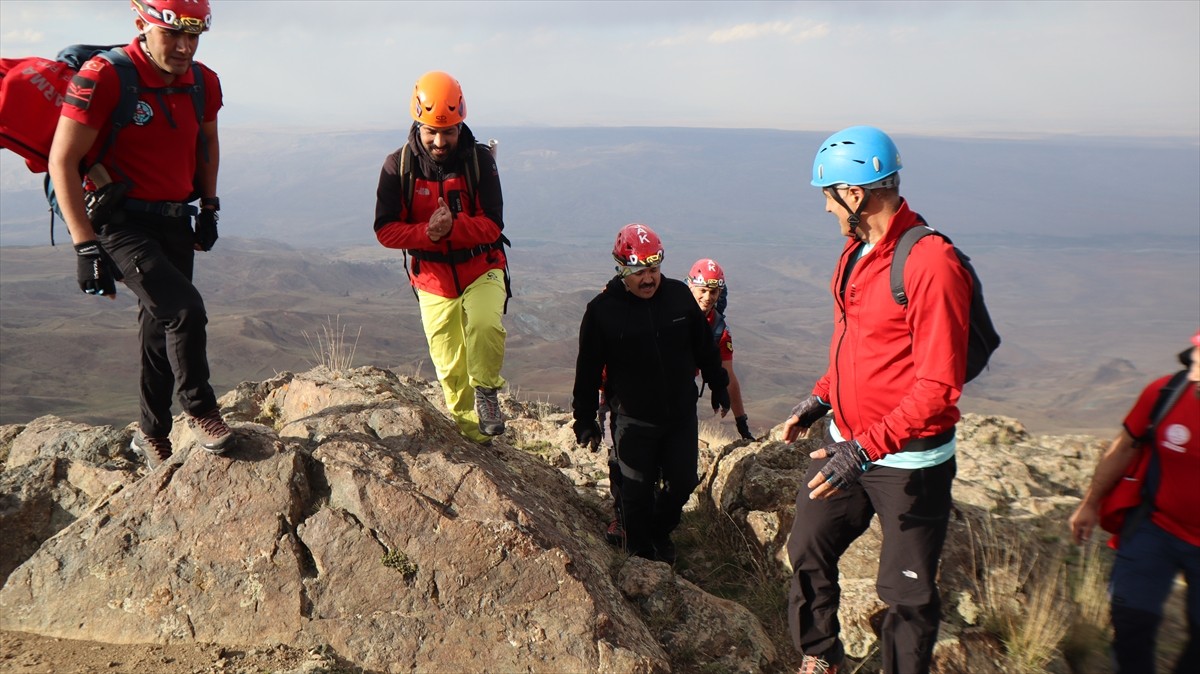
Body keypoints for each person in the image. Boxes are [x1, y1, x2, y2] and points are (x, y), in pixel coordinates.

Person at [780, 126, 972, 674]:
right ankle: (821, 656)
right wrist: (818, 400)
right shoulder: (856, 254)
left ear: (855, 194)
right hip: (849, 446)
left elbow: (938, 390)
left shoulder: (931, 263)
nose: (825, 208)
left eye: (827, 195)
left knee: (906, 596)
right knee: (808, 546)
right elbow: (858, 349)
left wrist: (864, 450)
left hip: (909, 461)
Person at [47, 0, 230, 468]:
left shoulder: (202, 82)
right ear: (141, 27)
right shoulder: (105, 77)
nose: (185, 47)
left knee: (158, 326)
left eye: (194, 36)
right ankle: (201, 409)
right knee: (185, 310)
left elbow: (205, 141)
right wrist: (84, 245)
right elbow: (62, 161)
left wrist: (208, 207)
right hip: (119, 221)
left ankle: (151, 434)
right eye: (173, 35)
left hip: (173, 217)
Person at [573, 223, 731, 563]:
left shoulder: (678, 296)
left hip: (680, 415)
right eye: (639, 272)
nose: (649, 279)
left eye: (654, 270)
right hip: (633, 418)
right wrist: (584, 418)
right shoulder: (601, 312)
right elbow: (587, 370)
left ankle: (659, 531)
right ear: (621, 269)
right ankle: (640, 554)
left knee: (683, 482)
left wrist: (719, 385)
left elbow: (705, 348)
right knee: (635, 491)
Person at [374, 71, 508, 445]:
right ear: (418, 123)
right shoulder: (397, 166)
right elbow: (385, 229)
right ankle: (475, 438)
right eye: (432, 130)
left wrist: (455, 228)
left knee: (484, 324)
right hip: (432, 278)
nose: (439, 140)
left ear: (461, 122)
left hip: (482, 267)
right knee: (449, 365)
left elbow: (493, 224)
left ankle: (486, 393)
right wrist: (426, 234)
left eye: (448, 131)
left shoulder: (480, 161)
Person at [1069, 331, 1199, 674]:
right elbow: (1124, 446)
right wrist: (1090, 503)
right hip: (1155, 527)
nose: (1194, 359)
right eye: (1198, 348)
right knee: (1129, 621)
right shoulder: (1166, 393)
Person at [685, 258, 753, 441]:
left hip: (683, 392)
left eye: (713, 292)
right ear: (690, 287)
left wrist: (742, 425)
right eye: (703, 291)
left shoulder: (718, 329)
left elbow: (728, 374)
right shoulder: (669, 310)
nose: (708, 298)